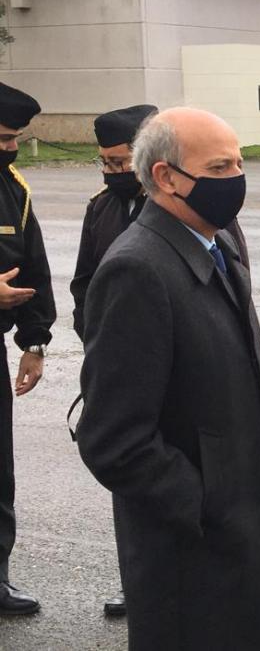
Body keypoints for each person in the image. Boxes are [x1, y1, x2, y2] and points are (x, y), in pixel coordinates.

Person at [76, 107, 260, 650]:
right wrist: (204, 503)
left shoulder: (220, 246)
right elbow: (114, 440)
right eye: (219, 168)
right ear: (166, 177)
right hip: (191, 556)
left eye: (240, 163)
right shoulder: (137, 269)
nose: (236, 179)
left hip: (243, 529)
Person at [70, 104, 250, 342]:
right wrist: (94, 334)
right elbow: (85, 281)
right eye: (104, 162)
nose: (109, 172)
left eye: (118, 162)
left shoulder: (195, 209)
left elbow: (236, 281)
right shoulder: (101, 207)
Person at [0, 82, 56, 615]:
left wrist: (34, 340)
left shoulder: (14, 189)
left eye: (13, 139)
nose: (7, 148)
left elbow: (33, 265)